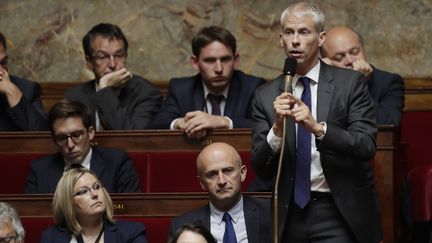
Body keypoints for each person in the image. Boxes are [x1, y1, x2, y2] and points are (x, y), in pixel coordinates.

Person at [251, 2, 381, 243]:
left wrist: (318, 128)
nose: (295, 41)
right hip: (289, 213)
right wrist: (277, 130)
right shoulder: (265, 95)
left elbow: (366, 145)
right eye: (289, 33)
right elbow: (261, 167)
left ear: (321, 38)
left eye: (304, 32)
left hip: (337, 210)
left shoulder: (350, 83)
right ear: (281, 39)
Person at [149, 26, 266, 139]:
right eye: (210, 60)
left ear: (235, 60)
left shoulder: (253, 86)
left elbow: (265, 125)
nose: (219, 69)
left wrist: (223, 121)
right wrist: (179, 123)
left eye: (225, 59)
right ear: (195, 62)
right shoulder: (180, 89)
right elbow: (156, 125)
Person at [25, 99, 141, 193]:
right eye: (61, 138)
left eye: (76, 135)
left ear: (90, 132)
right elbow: (33, 215)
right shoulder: (40, 169)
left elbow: (129, 210)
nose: (70, 145)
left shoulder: (117, 162)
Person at [64, 23, 162, 130]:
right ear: (89, 62)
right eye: (103, 57)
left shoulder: (146, 93)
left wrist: (104, 88)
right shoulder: (74, 97)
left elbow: (130, 138)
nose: (112, 64)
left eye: (119, 55)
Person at [168, 142, 270, 242]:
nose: (222, 181)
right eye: (212, 174)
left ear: (242, 173)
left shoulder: (271, 212)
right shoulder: (181, 226)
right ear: (202, 183)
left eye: (227, 171)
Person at [321, 26, 404, 125]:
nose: (350, 60)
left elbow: (387, 123)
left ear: (363, 50)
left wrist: (359, 84)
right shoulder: (321, 82)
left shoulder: (389, 82)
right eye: (339, 57)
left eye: (355, 52)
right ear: (326, 61)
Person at [40, 168, 148, 242]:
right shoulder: (51, 238)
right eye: (84, 191)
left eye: (97, 187)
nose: (95, 194)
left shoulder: (131, 232)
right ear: (68, 202)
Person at [0, 32, 47, 131]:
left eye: (3, 62)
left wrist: (11, 90)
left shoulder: (28, 89)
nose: (1, 71)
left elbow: (42, 137)